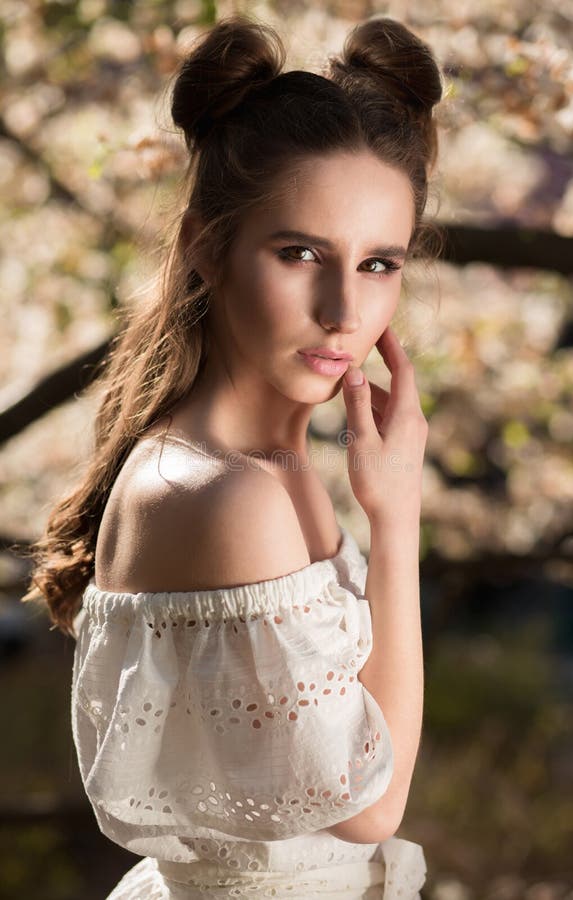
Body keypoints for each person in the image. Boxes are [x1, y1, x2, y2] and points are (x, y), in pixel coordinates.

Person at [22, 11, 443, 898]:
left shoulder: (260, 463)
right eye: (301, 254)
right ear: (208, 248)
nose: (343, 311)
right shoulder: (224, 493)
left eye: (378, 265)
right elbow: (368, 808)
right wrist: (396, 518)